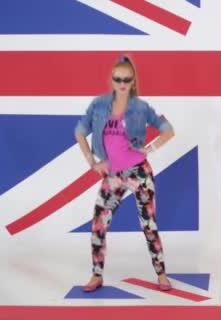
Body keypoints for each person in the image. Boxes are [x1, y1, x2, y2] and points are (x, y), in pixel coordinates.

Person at [74, 55, 175, 292]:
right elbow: (80, 131)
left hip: (139, 172)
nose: (122, 83)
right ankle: (96, 275)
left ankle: (161, 274)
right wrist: (92, 161)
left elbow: (168, 130)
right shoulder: (99, 105)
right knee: (99, 223)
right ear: (111, 80)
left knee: (148, 224)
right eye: (118, 79)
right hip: (113, 175)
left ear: (132, 81)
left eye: (126, 80)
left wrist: (149, 148)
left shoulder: (141, 107)